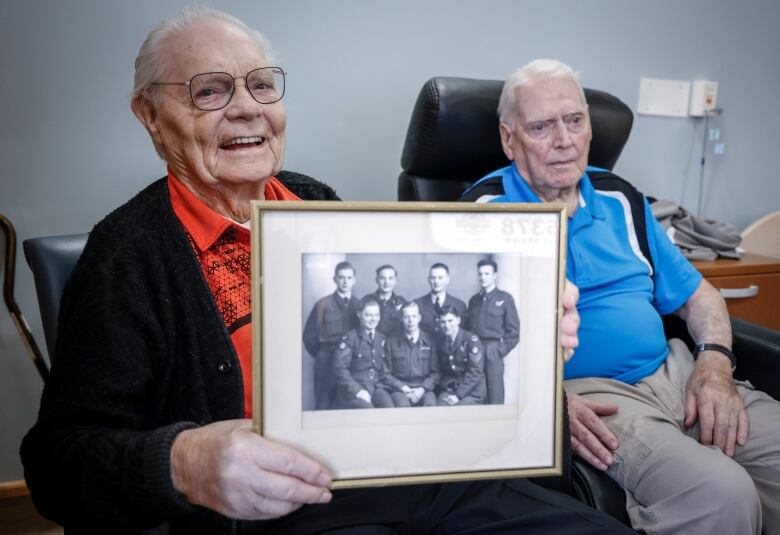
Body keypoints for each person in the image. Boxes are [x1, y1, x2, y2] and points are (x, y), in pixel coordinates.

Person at [19, 8, 634, 534]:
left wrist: (531, 349)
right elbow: (56, 463)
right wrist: (183, 461)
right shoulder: (128, 254)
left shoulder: (318, 203)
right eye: (209, 91)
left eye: (262, 86)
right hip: (279, 511)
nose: (246, 110)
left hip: (421, 474)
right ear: (151, 116)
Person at [461, 58, 780, 535]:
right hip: (594, 394)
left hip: (677, 373)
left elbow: (698, 294)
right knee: (722, 494)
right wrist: (545, 405)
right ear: (510, 139)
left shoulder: (621, 199)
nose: (564, 139)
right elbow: (464, 346)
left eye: (574, 120)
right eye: (542, 126)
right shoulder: (477, 216)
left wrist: (714, 363)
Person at [303, 261, 360, 409]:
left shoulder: (359, 305)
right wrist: (324, 354)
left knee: (347, 404)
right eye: (341, 277)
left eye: (348, 277)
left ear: (354, 280)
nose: (345, 281)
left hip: (351, 363)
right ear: (335, 279)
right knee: (324, 404)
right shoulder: (323, 304)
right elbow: (309, 337)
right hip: (326, 361)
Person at [466, 258, 520, 404]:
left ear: (495, 275)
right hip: (474, 350)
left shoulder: (505, 299)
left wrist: (499, 351)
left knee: (494, 394)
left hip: (492, 350)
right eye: (480, 274)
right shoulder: (473, 301)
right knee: (474, 391)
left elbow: (514, 332)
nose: (483, 277)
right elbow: (467, 330)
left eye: (487, 273)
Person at [332, 296, 394, 409]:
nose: (373, 319)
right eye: (368, 315)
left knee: (389, 409)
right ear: (359, 314)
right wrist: (358, 391)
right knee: (367, 411)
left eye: (376, 315)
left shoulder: (382, 338)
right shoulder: (350, 338)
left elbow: (385, 372)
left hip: (375, 387)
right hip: (352, 390)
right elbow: (340, 370)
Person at [383, 301, 440, 407]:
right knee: (402, 407)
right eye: (406, 317)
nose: (410, 321)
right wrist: (402, 388)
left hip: (423, 389)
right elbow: (385, 374)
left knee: (431, 405)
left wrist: (422, 389)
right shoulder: (391, 342)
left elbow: (436, 373)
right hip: (400, 390)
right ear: (401, 319)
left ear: (419, 318)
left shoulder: (430, 341)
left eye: (414, 316)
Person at [436, 306, 486, 406]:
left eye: (450, 321)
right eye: (443, 322)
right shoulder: (440, 341)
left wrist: (458, 395)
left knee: (460, 409)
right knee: (440, 407)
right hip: (451, 389)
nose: (447, 325)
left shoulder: (471, 340)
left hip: (472, 391)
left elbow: (475, 372)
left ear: (458, 320)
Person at [414, 262, 467, 335]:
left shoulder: (460, 305)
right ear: (428, 280)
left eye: (440, 278)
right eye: (433, 278)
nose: (436, 281)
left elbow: (462, 334)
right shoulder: (417, 304)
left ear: (448, 280)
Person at [365, 264, 406, 337]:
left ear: (395, 281)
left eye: (390, 278)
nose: (386, 282)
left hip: (395, 345)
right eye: (382, 278)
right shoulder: (366, 301)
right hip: (373, 344)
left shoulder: (402, 302)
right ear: (377, 280)